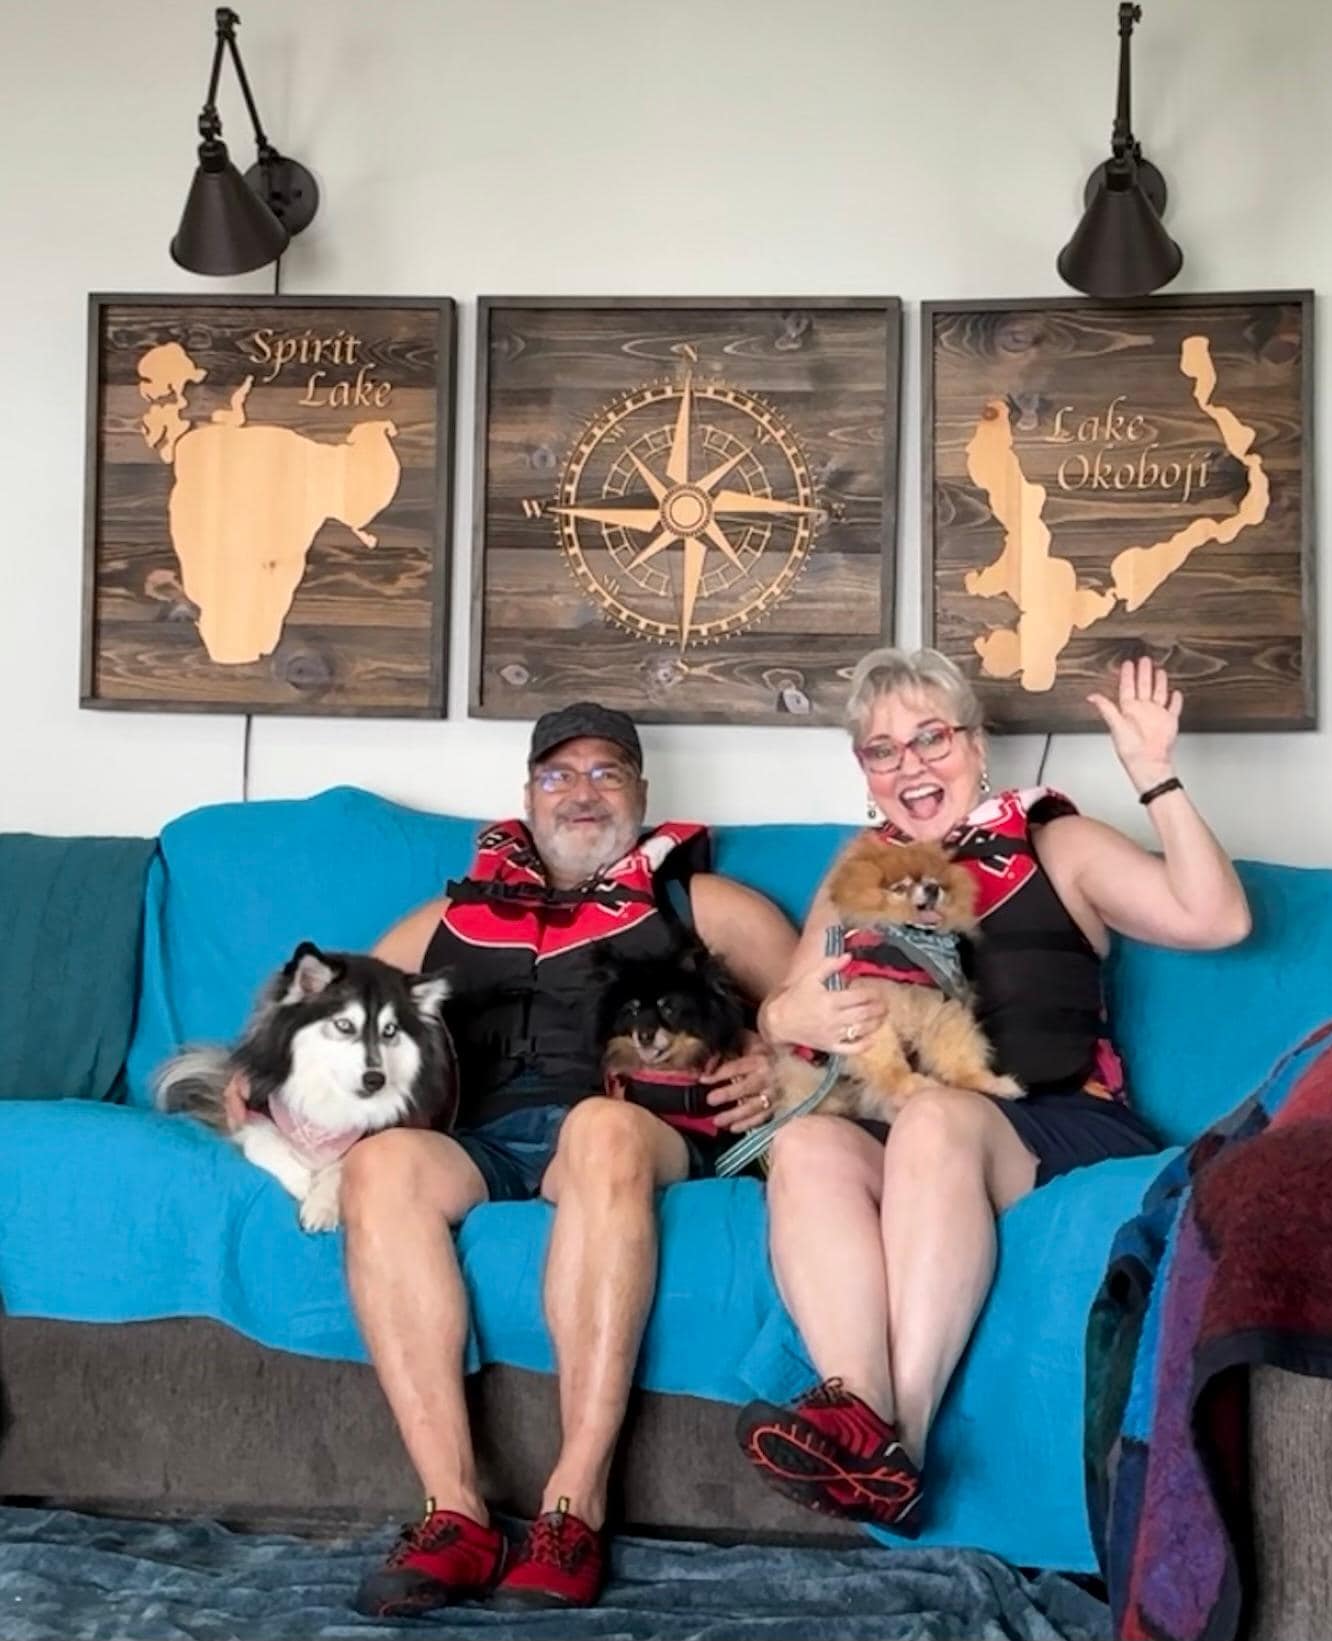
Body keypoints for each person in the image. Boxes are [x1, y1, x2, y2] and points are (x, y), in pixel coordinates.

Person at [736, 648, 1251, 1532]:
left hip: (1056, 1120)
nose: (910, 765)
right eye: (882, 750)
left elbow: (1218, 918)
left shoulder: (1055, 842)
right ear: (865, 771)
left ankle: (901, 1440)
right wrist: (795, 1013)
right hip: (911, 1132)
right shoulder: (860, 869)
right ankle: (857, 1418)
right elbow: (785, 1005)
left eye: (930, 738)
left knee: (935, 1117)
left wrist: (1153, 774)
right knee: (807, 1143)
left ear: (974, 745)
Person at [347, 703, 796, 1615]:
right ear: (527, 795)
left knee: (599, 1127)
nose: (580, 793)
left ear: (640, 791)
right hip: (479, 1136)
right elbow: (334, 1004)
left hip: (631, 1126)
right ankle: (454, 1512)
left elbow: (819, 1006)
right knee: (379, 1166)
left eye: (604, 773)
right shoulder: (452, 913)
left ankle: (573, 1507)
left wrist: (783, 1063)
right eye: (558, 775)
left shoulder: (699, 902)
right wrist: (254, 1072)